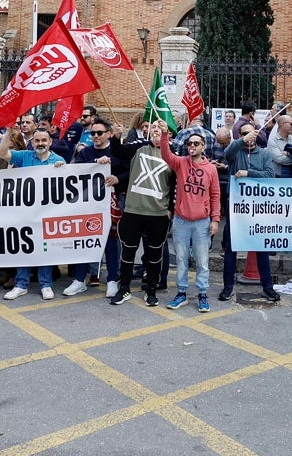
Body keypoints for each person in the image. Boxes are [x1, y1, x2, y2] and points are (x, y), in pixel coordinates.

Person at [157, 125, 220, 313]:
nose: (191, 146)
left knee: (202, 261)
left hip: (202, 222)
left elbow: (215, 195)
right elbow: (166, 155)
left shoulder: (211, 169)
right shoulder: (181, 163)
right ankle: (181, 293)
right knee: (182, 259)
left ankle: (202, 294)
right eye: (189, 143)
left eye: (196, 143)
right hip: (181, 221)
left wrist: (215, 219)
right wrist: (165, 135)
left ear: (203, 147)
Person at [0, 127, 65, 300]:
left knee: (45, 249)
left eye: (44, 140)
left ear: (50, 142)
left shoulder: (59, 160)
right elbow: (2, 153)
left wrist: (63, 170)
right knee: (24, 248)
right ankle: (21, 285)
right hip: (25, 213)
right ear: (32, 142)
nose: (40, 143)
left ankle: (46, 285)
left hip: (47, 213)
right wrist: (8, 133)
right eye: (37, 140)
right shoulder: (25, 156)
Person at [112, 123, 174, 307]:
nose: (155, 129)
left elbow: (175, 185)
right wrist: (116, 137)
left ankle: (151, 290)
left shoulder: (172, 154)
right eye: (153, 126)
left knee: (155, 255)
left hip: (158, 213)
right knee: (128, 252)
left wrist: (171, 208)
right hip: (134, 211)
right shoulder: (139, 147)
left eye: (160, 127)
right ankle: (124, 288)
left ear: (167, 134)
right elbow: (120, 152)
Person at [219, 121, 280, 302]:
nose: (249, 137)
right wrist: (241, 140)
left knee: (260, 248)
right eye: (244, 133)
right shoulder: (235, 152)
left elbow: (270, 175)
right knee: (231, 249)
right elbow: (226, 153)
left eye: (252, 133)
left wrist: (248, 173)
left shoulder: (264, 154)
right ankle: (227, 287)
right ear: (240, 136)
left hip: (257, 208)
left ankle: (267, 287)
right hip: (236, 208)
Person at [67, 118, 127, 297]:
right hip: (88, 205)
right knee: (84, 241)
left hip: (110, 204)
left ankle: (111, 280)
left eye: (99, 133)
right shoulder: (86, 153)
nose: (95, 136)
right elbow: (75, 172)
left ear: (109, 133)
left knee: (110, 242)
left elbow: (128, 170)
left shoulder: (117, 150)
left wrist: (117, 178)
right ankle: (79, 280)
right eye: (93, 133)